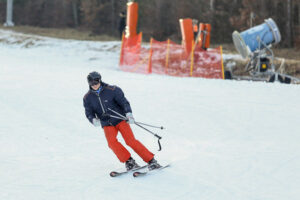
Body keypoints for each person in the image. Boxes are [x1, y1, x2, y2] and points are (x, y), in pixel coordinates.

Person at [83, 71, 161, 171]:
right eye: (92, 83)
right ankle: (129, 161)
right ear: (88, 83)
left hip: (120, 120)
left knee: (130, 141)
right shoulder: (87, 98)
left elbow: (124, 103)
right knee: (111, 143)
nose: (95, 85)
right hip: (107, 123)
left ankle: (151, 160)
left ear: (100, 80)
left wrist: (129, 114)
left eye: (96, 82)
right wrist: (93, 120)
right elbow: (89, 112)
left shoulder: (112, 90)